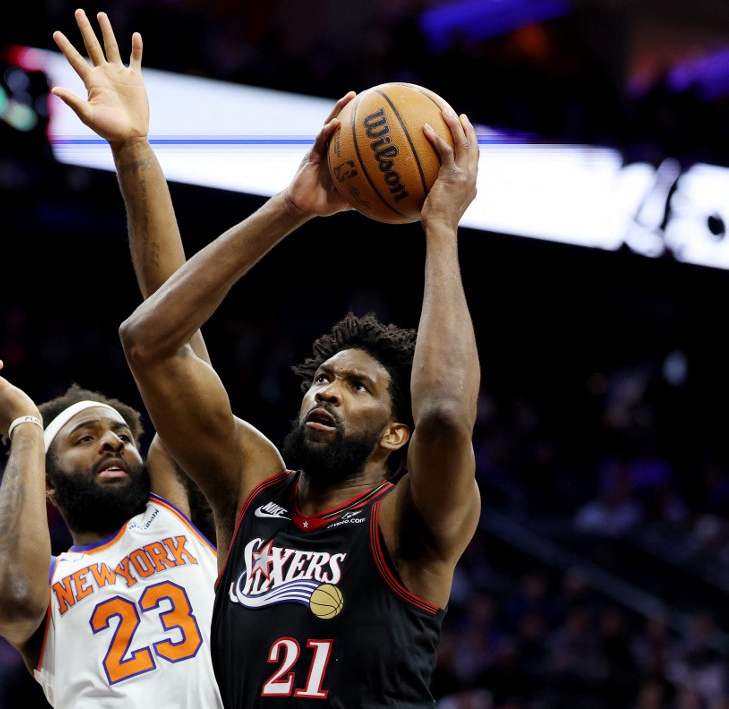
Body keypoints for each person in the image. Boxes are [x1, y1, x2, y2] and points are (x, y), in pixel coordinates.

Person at [118, 77, 482, 705]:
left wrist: (441, 230)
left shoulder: (408, 522)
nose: (327, 393)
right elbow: (150, 339)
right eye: (322, 378)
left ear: (396, 433)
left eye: (358, 386)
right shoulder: (251, 488)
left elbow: (446, 414)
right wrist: (291, 206)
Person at [0, 9, 222, 709]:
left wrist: (133, 148)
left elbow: (175, 316)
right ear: (47, 486)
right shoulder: (44, 582)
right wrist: (25, 429)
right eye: (84, 437)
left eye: (119, 433)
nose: (113, 440)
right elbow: (11, 604)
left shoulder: (173, 509)